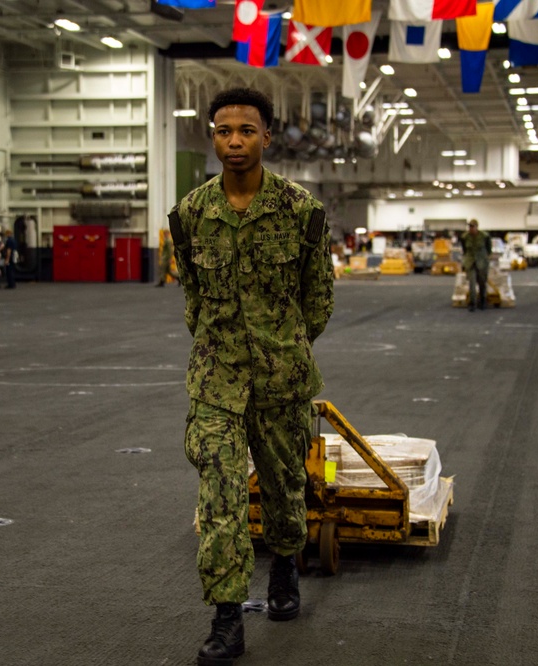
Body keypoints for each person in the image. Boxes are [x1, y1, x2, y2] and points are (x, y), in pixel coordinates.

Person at [168, 87, 334, 666]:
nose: (234, 141)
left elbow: (319, 298)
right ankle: (226, 619)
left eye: (245, 130)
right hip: (216, 382)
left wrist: (285, 347)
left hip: (282, 382)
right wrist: (218, 348)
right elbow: (192, 297)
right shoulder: (190, 215)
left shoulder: (301, 210)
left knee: (286, 493)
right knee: (220, 498)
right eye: (222, 131)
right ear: (212, 137)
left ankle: (285, 566)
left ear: (267, 136)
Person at [460, 219, 491, 311]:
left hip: (482, 262)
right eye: (469, 226)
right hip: (470, 262)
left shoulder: (484, 236)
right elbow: (464, 249)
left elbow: (489, 249)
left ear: (477, 227)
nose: (471, 228)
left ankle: (482, 301)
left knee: (482, 283)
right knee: (472, 283)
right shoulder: (465, 237)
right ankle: (472, 303)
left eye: (472, 226)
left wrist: (485, 258)